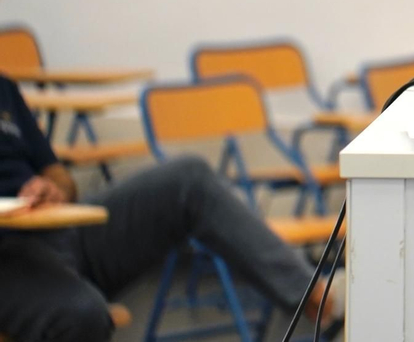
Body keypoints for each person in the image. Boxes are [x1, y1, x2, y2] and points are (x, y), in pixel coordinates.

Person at [0, 75, 340, 342]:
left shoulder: (4, 88)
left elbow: (58, 174)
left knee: (187, 179)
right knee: (81, 313)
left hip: (58, 228)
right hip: (9, 256)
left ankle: (316, 302)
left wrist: (52, 189)